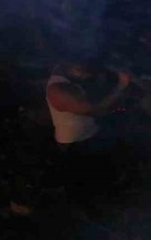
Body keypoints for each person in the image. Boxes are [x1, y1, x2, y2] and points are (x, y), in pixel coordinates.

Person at [41, 61, 131, 210]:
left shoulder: (69, 78)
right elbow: (94, 110)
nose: (84, 73)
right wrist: (121, 86)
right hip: (73, 142)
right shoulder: (58, 89)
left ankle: (105, 201)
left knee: (99, 173)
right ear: (67, 66)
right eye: (80, 70)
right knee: (82, 181)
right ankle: (87, 210)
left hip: (89, 134)